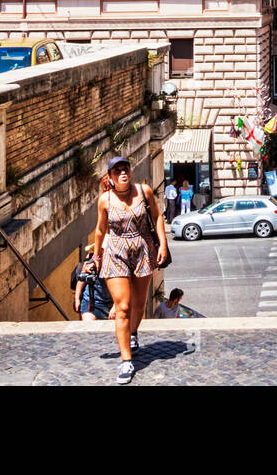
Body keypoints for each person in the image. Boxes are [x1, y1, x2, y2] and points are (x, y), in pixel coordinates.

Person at [93, 156, 169, 384]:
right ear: (111, 177)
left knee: (138, 303)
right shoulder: (104, 200)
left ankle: (132, 333)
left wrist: (163, 244)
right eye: (117, 171)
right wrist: (96, 256)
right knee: (123, 306)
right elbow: (99, 230)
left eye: (125, 169)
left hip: (143, 250)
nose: (123, 173)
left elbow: (156, 216)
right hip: (116, 253)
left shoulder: (143, 191)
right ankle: (126, 360)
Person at [70, 244, 111, 321]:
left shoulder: (116, 265)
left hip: (110, 305)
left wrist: (116, 307)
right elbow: (81, 280)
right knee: (88, 327)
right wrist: (77, 299)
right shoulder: (90, 264)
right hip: (91, 303)